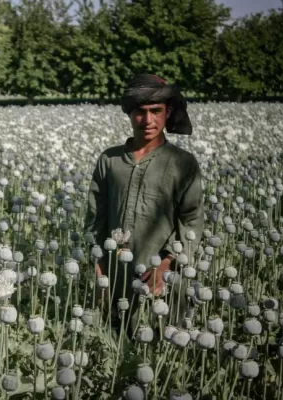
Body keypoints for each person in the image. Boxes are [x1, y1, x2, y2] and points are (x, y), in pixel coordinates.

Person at [84, 73, 204, 330]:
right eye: (140, 111)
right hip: (113, 279)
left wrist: (165, 265)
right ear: (129, 114)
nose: (147, 120)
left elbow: (191, 222)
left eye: (155, 110)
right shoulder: (110, 160)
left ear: (168, 112)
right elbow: (95, 220)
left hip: (162, 282)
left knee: (157, 351)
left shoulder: (182, 163)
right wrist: (99, 273)